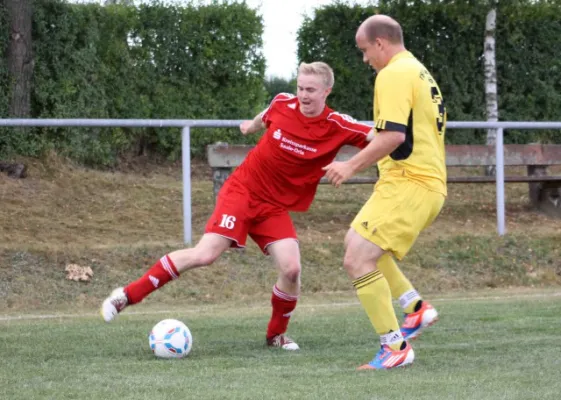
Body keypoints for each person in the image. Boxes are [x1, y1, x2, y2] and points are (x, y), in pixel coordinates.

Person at [101, 61, 375, 350]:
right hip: (242, 191)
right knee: (205, 255)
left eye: (311, 90)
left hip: (274, 206)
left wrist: (357, 163)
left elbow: (381, 136)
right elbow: (265, 115)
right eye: (300, 88)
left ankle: (276, 336)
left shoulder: (338, 124)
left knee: (292, 269)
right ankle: (127, 296)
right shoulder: (283, 103)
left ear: (326, 91)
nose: (303, 95)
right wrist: (250, 126)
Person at [323, 14, 447, 369]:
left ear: (380, 43)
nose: (365, 59)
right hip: (406, 181)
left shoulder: (392, 74)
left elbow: (393, 136)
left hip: (412, 182)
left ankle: (395, 348)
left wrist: (349, 165)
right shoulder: (417, 70)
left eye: (365, 50)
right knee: (354, 243)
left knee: (357, 259)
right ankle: (415, 308)